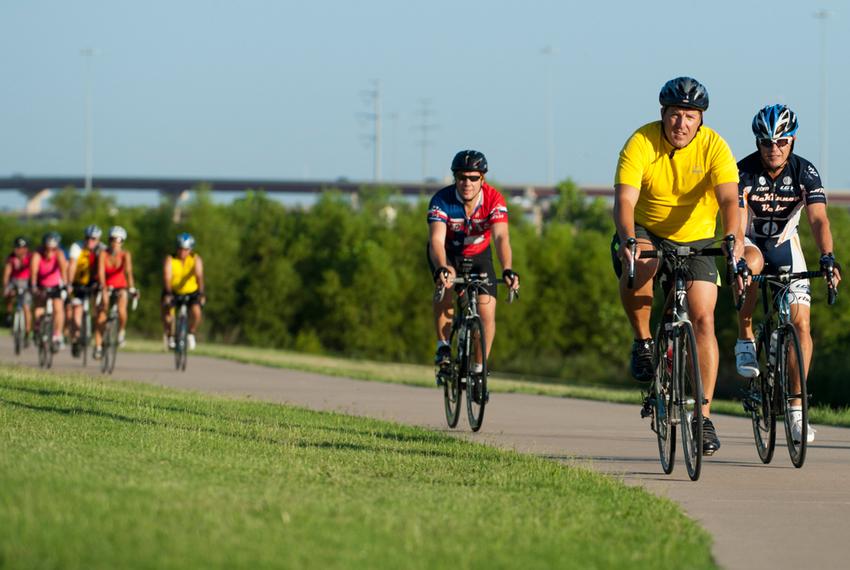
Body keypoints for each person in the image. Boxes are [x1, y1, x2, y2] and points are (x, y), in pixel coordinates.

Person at [611, 77, 743, 455]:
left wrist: (731, 236)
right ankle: (643, 342)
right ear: (662, 115)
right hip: (646, 229)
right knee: (642, 264)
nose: (681, 123)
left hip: (698, 238)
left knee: (702, 317)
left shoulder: (714, 146)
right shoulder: (641, 143)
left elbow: (730, 200)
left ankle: (701, 418)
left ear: (699, 119)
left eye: (689, 116)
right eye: (674, 115)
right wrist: (627, 239)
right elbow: (624, 200)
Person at [734, 104, 842, 444]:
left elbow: (819, 220)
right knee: (749, 268)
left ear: (792, 141)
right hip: (751, 243)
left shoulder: (804, 172)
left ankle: (796, 410)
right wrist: (736, 258)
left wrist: (827, 257)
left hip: (784, 245)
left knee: (802, 325)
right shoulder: (744, 171)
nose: (773, 149)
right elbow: (736, 221)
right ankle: (745, 336)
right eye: (766, 143)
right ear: (758, 143)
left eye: (781, 141)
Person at [427, 150, 520, 388]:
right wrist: (441, 268)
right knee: (446, 283)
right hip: (448, 255)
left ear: (483, 179)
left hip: (480, 256)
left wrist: (507, 269)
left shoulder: (494, 200)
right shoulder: (442, 200)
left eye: (473, 178)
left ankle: (479, 369)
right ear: (455, 178)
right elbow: (436, 240)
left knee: (487, 312)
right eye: (461, 177)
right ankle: (444, 347)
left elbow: (501, 238)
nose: (467, 183)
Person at [94, 226, 137, 359]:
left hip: (120, 286)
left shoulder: (125, 255)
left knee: (122, 308)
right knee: (101, 313)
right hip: (105, 285)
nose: (116, 243)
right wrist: (103, 288)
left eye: (119, 240)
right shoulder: (103, 254)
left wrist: (132, 288)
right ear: (109, 240)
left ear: (122, 242)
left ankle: (121, 332)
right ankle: (98, 347)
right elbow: (100, 271)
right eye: (113, 239)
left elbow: (128, 272)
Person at [162, 232, 205, 351]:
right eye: (180, 249)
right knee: (168, 314)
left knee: (196, 312)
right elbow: (167, 276)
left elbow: (199, 276)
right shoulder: (170, 259)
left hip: (192, 291)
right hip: (173, 291)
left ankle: (191, 333)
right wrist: (168, 293)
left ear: (190, 249)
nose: (182, 252)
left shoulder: (195, 259)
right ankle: (170, 336)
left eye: (186, 249)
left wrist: (201, 293)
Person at [66, 224, 105, 357]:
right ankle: (76, 338)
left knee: (100, 309)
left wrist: (101, 283)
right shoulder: (77, 247)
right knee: (77, 309)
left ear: (98, 239)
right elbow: (71, 265)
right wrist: (69, 283)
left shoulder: (102, 249)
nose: (90, 241)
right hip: (78, 282)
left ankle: (98, 339)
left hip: (95, 283)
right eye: (88, 238)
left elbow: (104, 268)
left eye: (93, 239)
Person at [30, 232, 69, 350]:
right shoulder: (37, 254)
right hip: (40, 284)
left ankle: (57, 335)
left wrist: (66, 284)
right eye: (48, 248)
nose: (50, 251)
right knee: (39, 308)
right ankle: (37, 329)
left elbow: (63, 270)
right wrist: (33, 285)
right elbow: (33, 271)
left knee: (58, 308)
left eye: (53, 248)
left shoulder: (59, 254)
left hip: (55, 285)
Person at [3, 236, 33, 343]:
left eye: (19, 247)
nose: (17, 250)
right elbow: (7, 273)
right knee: (8, 293)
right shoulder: (11, 258)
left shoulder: (30, 257)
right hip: (14, 281)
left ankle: (28, 331)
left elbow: (34, 271)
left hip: (27, 282)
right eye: (16, 247)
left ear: (25, 248)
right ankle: (8, 313)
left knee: (26, 306)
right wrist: (6, 286)